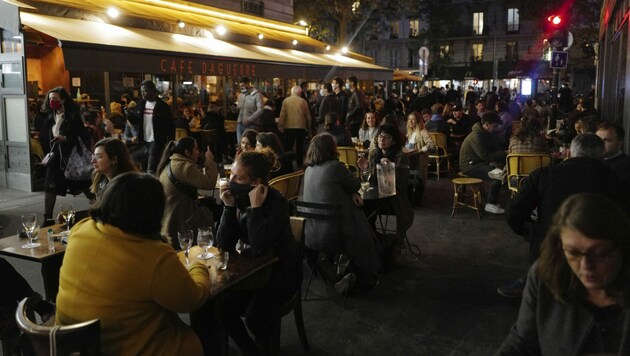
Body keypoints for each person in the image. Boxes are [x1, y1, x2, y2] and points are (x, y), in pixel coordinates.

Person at [56, 172, 211, 355]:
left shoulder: (82, 229)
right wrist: (198, 263)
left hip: (73, 345)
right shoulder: (151, 255)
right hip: (124, 347)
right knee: (201, 335)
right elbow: (191, 299)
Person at [497, 193, 630, 355]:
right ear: (559, 247)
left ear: (623, 247)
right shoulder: (546, 274)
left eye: (600, 253)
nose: (585, 265)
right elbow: (522, 342)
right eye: (573, 253)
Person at [502, 134, 630, 298]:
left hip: (549, 246)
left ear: (569, 153)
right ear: (601, 154)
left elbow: (513, 212)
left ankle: (531, 282)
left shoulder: (544, 176)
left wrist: (530, 231)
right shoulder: (616, 180)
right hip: (599, 254)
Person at [216, 150, 301, 355]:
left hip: (282, 273)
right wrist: (228, 208)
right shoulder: (238, 199)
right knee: (222, 309)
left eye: (239, 177)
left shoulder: (276, 202)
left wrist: (255, 209)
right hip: (253, 272)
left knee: (256, 318)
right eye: (232, 176)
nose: (232, 181)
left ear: (256, 182)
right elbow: (223, 244)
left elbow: (260, 246)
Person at [303, 134, 381, 291]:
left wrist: (351, 194)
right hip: (336, 235)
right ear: (332, 149)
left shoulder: (308, 170)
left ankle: (342, 271)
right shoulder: (335, 167)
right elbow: (355, 184)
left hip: (311, 234)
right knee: (365, 224)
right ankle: (365, 274)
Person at [40, 86, 94, 226]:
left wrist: (66, 139)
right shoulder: (49, 117)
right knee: (49, 187)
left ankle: (99, 210)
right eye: (51, 99)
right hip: (55, 157)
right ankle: (47, 219)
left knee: (84, 185)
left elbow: (82, 136)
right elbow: (45, 136)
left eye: (55, 99)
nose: (52, 101)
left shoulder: (72, 116)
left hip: (71, 157)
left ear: (63, 100)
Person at [358, 124, 414, 247]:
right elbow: (369, 181)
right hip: (375, 198)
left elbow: (401, 184)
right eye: (380, 137)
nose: (381, 139)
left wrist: (389, 169)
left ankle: (380, 242)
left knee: (366, 208)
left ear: (393, 141)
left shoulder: (401, 157)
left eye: (386, 137)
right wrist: (365, 169)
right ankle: (370, 237)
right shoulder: (374, 154)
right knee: (360, 207)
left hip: (393, 200)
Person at [157, 137, 218, 247]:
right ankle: (208, 248)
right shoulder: (186, 167)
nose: (198, 153)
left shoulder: (171, 163)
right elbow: (209, 183)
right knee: (208, 213)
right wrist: (209, 161)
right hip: (181, 216)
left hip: (169, 215)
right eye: (196, 149)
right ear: (187, 152)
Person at [459, 111, 507, 214]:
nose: (495, 128)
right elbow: (485, 156)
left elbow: (496, 149)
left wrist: (502, 154)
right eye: (494, 126)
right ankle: (490, 204)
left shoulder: (486, 133)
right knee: (499, 175)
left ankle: (491, 203)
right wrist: (504, 153)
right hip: (470, 165)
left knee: (499, 171)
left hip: (478, 162)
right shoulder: (477, 136)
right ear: (487, 124)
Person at [126, 80, 175, 175]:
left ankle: (151, 185)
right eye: (141, 91)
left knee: (151, 168)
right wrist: (129, 116)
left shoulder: (162, 107)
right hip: (143, 141)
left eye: (145, 91)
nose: (142, 93)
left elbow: (170, 125)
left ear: (152, 91)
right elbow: (136, 121)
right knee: (133, 159)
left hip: (156, 141)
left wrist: (170, 142)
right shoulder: (141, 104)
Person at [278, 85, 312, 167]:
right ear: (300, 93)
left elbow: (282, 115)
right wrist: (309, 128)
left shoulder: (286, 101)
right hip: (301, 127)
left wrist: (280, 126)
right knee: (299, 147)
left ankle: (289, 164)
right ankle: (299, 163)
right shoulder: (303, 102)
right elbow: (308, 116)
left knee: (288, 146)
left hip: (288, 127)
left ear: (291, 92)